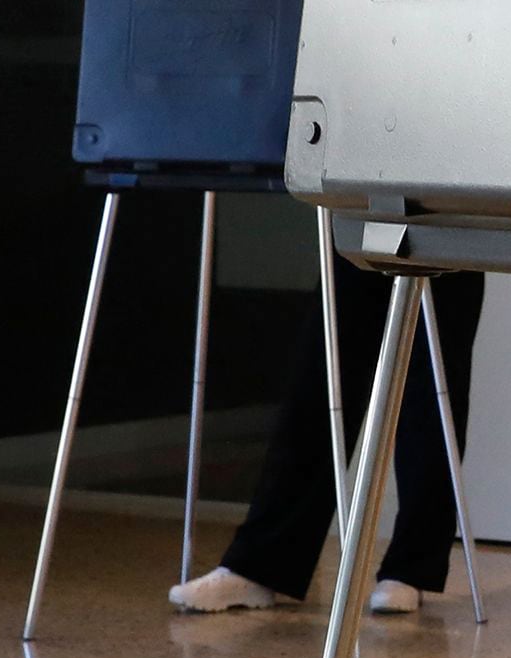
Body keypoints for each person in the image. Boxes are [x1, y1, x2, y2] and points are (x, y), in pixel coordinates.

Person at [167, 257, 486, 616]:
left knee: (435, 379)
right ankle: (262, 563)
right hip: (363, 205)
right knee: (325, 368)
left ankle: (410, 567)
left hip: (454, 210)